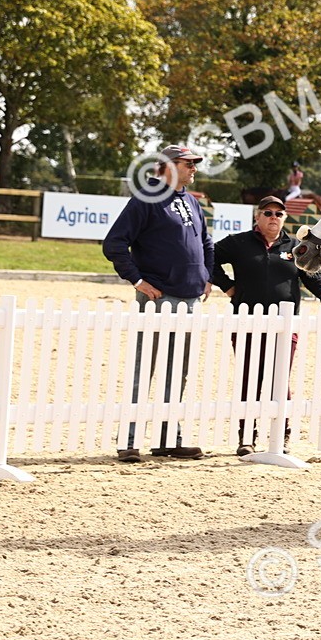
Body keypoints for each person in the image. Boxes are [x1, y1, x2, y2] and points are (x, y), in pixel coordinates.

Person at [103, 144, 214, 462]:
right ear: (167, 165)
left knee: (177, 372)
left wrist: (206, 275)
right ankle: (129, 441)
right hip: (159, 298)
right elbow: (114, 243)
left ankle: (169, 439)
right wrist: (137, 280)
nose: (194, 167)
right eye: (188, 163)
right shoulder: (146, 198)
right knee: (144, 369)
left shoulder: (191, 201)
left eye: (195, 163)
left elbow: (205, 241)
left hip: (191, 298)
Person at [212, 195, 321, 456]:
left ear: (284, 218)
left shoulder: (295, 247)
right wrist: (227, 286)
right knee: (250, 380)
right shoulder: (238, 243)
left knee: (278, 382)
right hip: (247, 323)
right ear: (257, 217)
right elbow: (209, 256)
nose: (273, 218)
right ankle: (247, 437)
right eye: (268, 213)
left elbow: (312, 273)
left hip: (284, 326)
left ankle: (282, 435)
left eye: (278, 214)